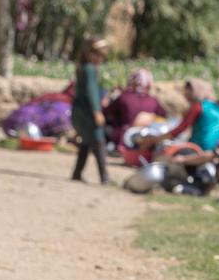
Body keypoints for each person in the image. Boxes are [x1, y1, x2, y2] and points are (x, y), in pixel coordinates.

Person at [67, 40, 113, 184]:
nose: (101, 59)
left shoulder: (84, 68)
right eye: (99, 55)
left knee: (86, 143)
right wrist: (97, 111)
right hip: (87, 112)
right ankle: (104, 177)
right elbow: (91, 92)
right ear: (91, 54)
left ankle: (77, 173)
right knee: (99, 140)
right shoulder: (90, 69)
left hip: (80, 111)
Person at [103, 66, 166, 167]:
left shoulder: (124, 97)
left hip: (122, 140)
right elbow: (164, 116)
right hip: (146, 141)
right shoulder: (153, 101)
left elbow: (105, 111)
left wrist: (109, 94)